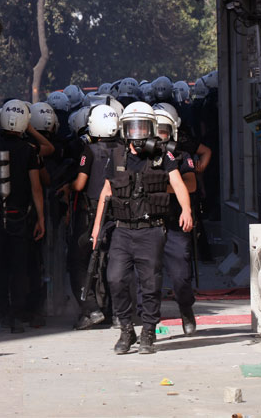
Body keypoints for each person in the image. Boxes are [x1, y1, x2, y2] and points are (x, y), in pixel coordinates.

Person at [90, 102, 193, 355]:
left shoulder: (162, 156)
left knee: (150, 284)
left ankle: (148, 331)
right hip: (123, 230)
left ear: (151, 128)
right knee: (115, 279)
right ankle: (126, 329)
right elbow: (106, 191)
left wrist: (187, 211)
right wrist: (96, 229)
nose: (137, 133)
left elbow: (179, 184)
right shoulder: (116, 156)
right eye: (132, 127)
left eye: (142, 127)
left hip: (151, 230)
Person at [0, 99, 45, 334]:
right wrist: (40, 219)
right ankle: (14, 318)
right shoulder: (28, 151)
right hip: (19, 218)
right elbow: (36, 188)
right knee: (18, 269)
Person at [69, 104, 122, 330]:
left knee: (78, 261)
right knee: (115, 263)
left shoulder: (89, 151)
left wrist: (68, 185)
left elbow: (80, 184)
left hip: (92, 216)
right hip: (120, 216)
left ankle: (91, 308)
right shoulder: (124, 149)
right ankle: (118, 312)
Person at [153, 103, 198, 335]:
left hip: (174, 223)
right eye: (155, 129)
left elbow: (190, 184)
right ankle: (148, 325)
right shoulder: (140, 155)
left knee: (180, 276)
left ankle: (186, 309)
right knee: (147, 278)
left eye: (163, 130)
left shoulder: (181, 155)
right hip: (148, 222)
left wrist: (161, 187)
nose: (159, 135)